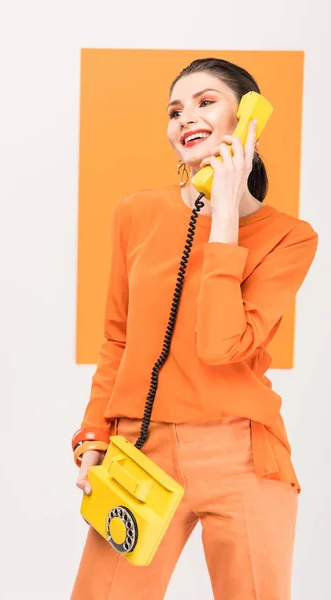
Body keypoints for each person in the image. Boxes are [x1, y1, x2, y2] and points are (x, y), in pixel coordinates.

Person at [69, 57, 318, 600]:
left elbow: (222, 343)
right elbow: (117, 338)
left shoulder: (290, 238)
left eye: (206, 102)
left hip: (242, 454)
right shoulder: (135, 213)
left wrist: (223, 218)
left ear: (248, 119)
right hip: (141, 446)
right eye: (175, 110)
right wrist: (94, 436)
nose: (185, 118)